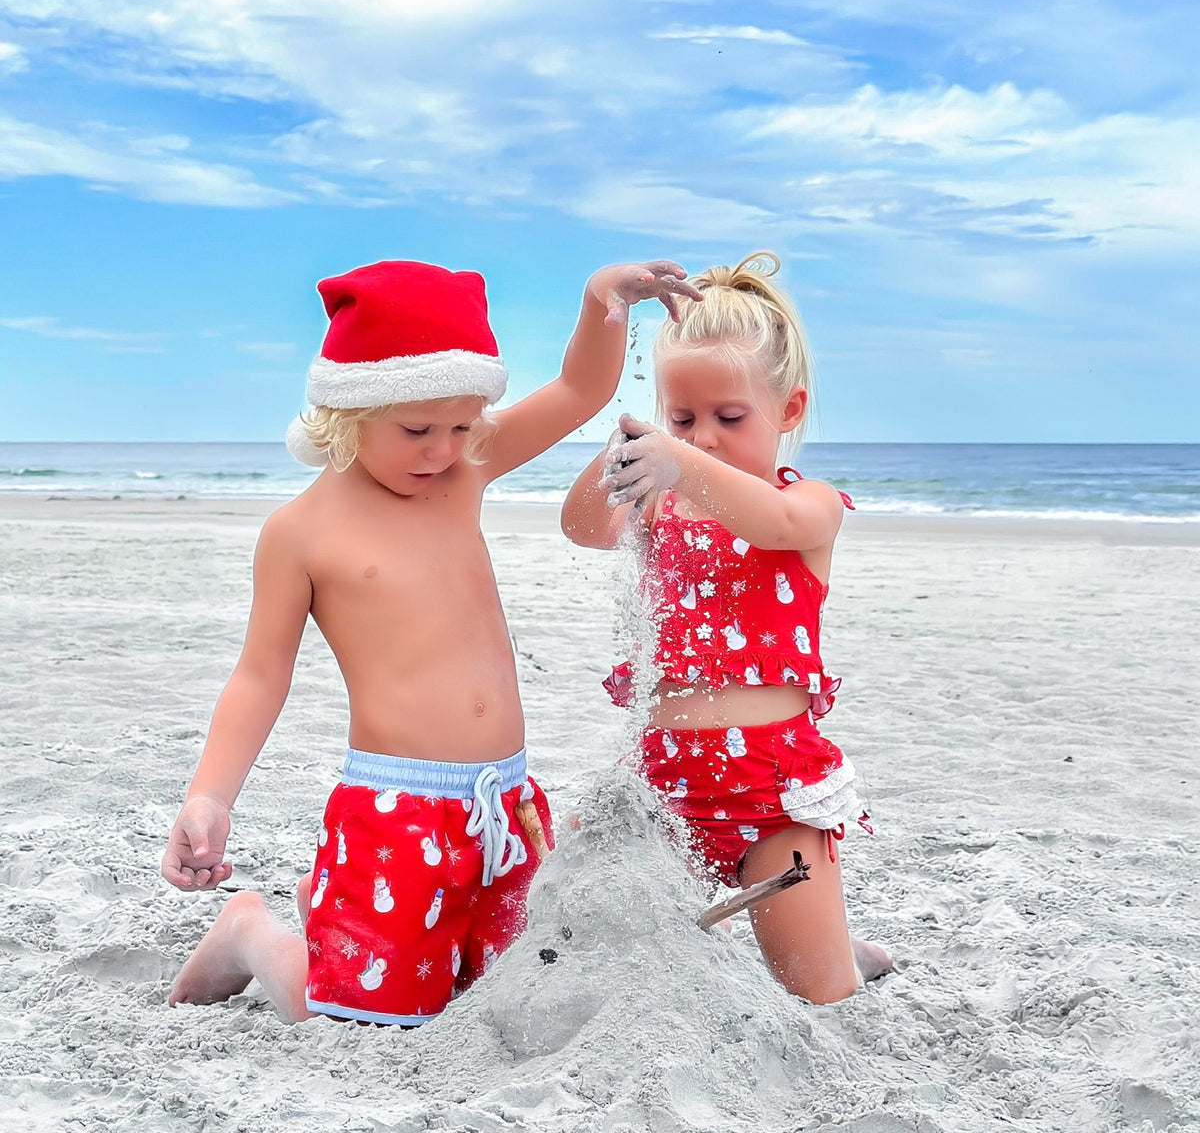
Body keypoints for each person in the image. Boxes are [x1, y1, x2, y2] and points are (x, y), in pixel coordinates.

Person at [163, 255, 699, 1026]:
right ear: (346, 414)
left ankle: (345, 926)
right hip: (395, 809)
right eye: (417, 430)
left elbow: (578, 391)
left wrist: (598, 301)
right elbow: (259, 676)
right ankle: (252, 931)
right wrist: (210, 795)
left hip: (507, 807)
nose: (442, 450)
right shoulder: (301, 534)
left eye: (460, 426)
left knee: (505, 996)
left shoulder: (463, 473)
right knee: (356, 1016)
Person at [561, 252, 891, 1004]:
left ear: (791, 410)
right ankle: (823, 935)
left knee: (820, 996)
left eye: (728, 418)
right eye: (682, 419)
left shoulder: (809, 506)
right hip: (656, 783)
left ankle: (840, 949)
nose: (702, 438)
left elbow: (769, 519)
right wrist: (626, 444)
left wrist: (678, 456)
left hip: (774, 794)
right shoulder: (658, 502)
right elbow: (582, 526)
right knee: (571, 933)